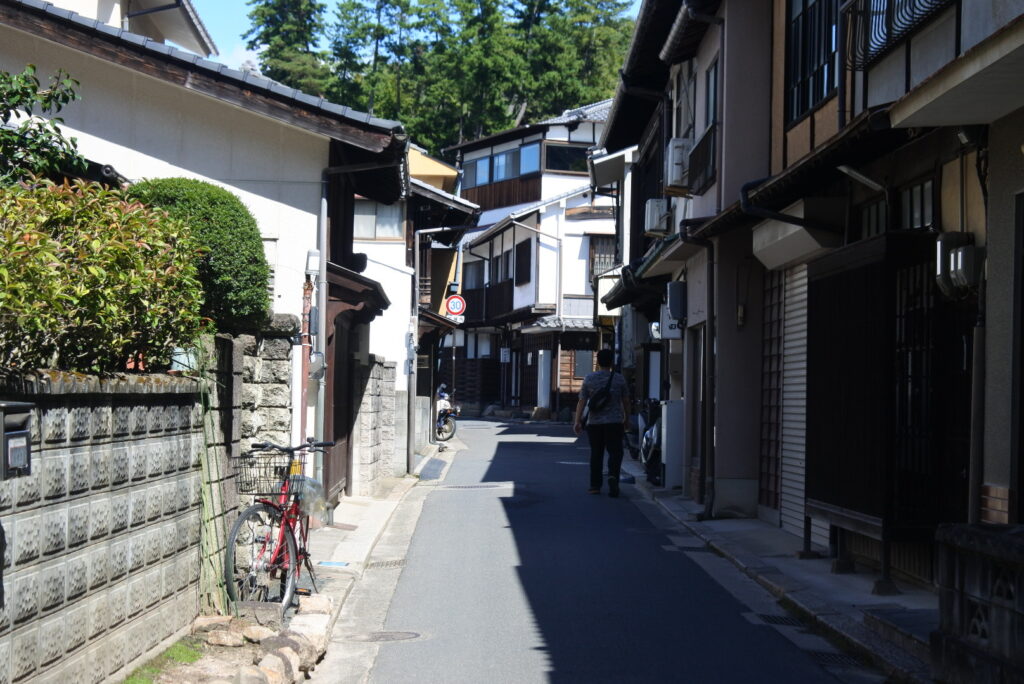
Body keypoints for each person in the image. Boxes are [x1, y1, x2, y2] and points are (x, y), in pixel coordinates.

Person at [574, 349, 630, 497]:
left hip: (595, 423)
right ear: (612, 362)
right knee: (615, 452)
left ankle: (595, 485)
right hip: (615, 422)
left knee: (596, 453)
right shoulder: (619, 379)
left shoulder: (589, 378)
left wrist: (577, 421)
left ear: (597, 362)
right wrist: (627, 419)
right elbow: (625, 401)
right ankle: (613, 477)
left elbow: (582, 400)